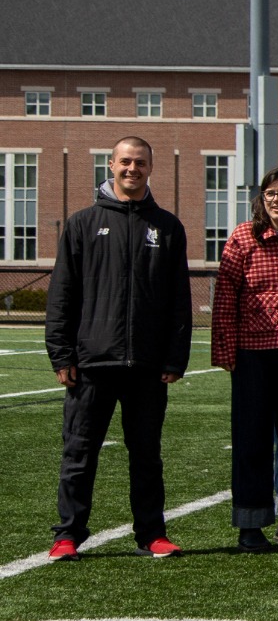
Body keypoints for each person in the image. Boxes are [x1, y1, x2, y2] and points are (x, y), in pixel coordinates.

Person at [44, 136, 193, 563]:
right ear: (110, 165)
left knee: (147, 455)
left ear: (151, 167)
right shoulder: (82, 223)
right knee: (78, 452)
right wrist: (61, 354)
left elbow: (178, 301)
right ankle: (68, 534)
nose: (133, 169)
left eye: (140, 162)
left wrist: (174, 357)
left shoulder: (167, 227)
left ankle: (152, 534)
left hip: (147, 365)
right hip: (92, 362)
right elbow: (62, 295)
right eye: (125, 161)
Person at [212, 166, 278, 550]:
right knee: (251, 439)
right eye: (271, 193)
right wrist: (224, 349)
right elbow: (226, 295)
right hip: (252, 354)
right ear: (262, 199)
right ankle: (250, 523)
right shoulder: (245, 236)